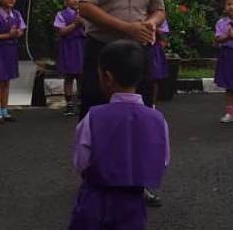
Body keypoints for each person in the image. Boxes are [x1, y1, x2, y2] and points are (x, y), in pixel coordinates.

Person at [78, 0, 165, 207]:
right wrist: (127, 27)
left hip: (137, 52)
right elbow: (86, 7)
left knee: (142, 115)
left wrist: (151, 23)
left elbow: (159, 8)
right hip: (102, 50)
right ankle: (94, 177)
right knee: (96, 110)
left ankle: (139, 181)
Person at [69, 40, 169, 230]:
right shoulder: (157, 119)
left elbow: (81, 160)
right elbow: (162, 161)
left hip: (95, 198)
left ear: (106, 77)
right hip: (133, 202)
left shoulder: (94, 116)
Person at [54, 0, 85, 116]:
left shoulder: (85, 13)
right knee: (69, 76)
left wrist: (83, 22)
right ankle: (69, 103)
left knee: (81, 76)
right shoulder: (61, 15)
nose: (75, 0)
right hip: (69, 46)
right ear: (66, 1)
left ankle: (82, 101)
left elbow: (90, 29)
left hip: (82, 46)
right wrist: (75, 24)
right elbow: (62, 31)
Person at [149, 20, 170, 108]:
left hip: (153, 47)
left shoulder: (160, 18)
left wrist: (154, 28)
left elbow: (163, 36)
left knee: (154, 77)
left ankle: (152, 105)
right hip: (136, 44)